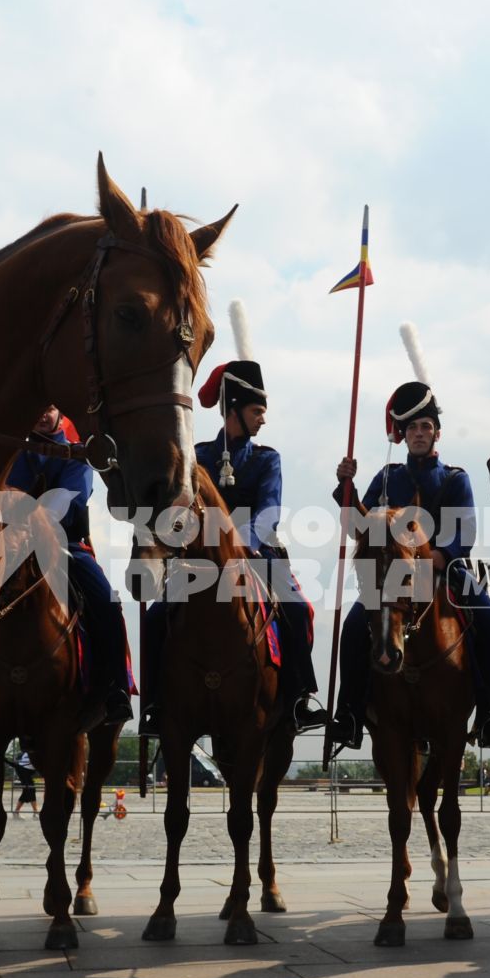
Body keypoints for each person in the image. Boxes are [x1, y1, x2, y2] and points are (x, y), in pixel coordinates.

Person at [142, 311, 327, 735]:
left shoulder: (267, 459)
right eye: (258, 410)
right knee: (155, 619)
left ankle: (299, 696)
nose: (264, 419)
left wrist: (239, 546)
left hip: (259, 556)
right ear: (236, 411)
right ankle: (154, 702)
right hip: (196, 561)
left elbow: (269, 512)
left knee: (300, 610)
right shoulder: (197, 455)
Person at [327, 376, 490, 751]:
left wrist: (435, 557)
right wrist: (347, 490)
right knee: (351, 626)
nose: (419, 433)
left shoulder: (456, 479)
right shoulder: (387, 477)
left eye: (426, 426)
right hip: (391, 576)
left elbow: (465, 532)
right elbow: (360, 528)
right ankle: (349, 712)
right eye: (412, 427)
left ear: (437, 434)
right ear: (403, 435)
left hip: (446, 570)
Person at [7, 406, 134, 728]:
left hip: (64, 545)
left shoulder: (78, 453)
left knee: (106, 602)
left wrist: (29, 525)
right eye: (38, 406)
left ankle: (114, 687)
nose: (41, 414)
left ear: (59, 412)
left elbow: (67, 501)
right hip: (9, 543)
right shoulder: (11, 450)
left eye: (48, 408)